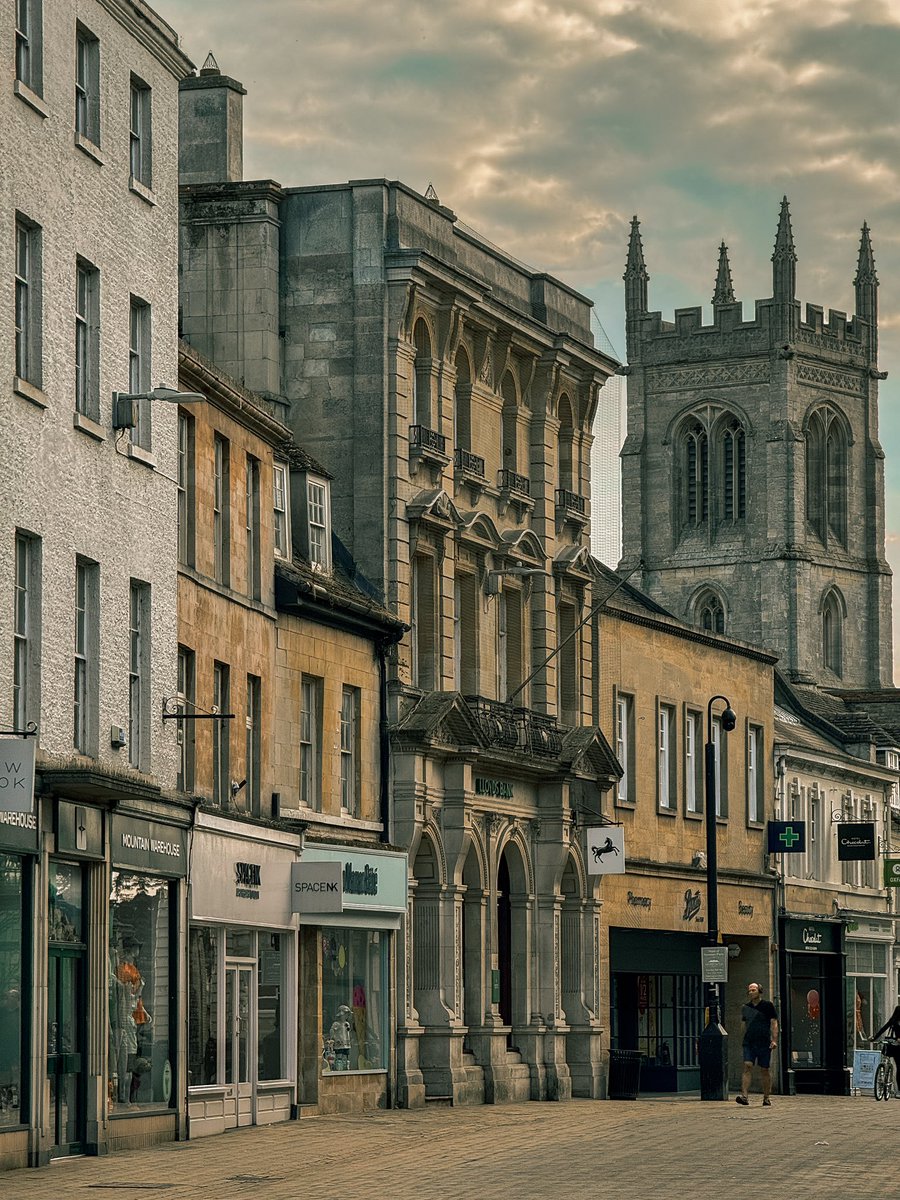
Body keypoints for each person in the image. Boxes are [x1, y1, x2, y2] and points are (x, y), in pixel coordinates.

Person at [736, 981, 778, 1107]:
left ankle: (766, 1097)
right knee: (747, 1065)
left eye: (753, 990)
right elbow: (743, 1024)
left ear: (760, 991)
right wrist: (743, 1038)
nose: (751, 992)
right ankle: (744, 1096)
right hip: (749, 1042)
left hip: (764, 1041)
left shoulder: (767, 1006)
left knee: (764, 1069)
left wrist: (774, 1039)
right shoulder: (746, 1007)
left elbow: (774, 1023)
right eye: (749, 990)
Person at [872, 1004, 900, 1072]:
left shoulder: (893, 1020)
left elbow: (884, 1028)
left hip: (894, 1044)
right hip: (896, 1046)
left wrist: (874, 1037)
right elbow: (885, 1028)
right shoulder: (894, 1021)